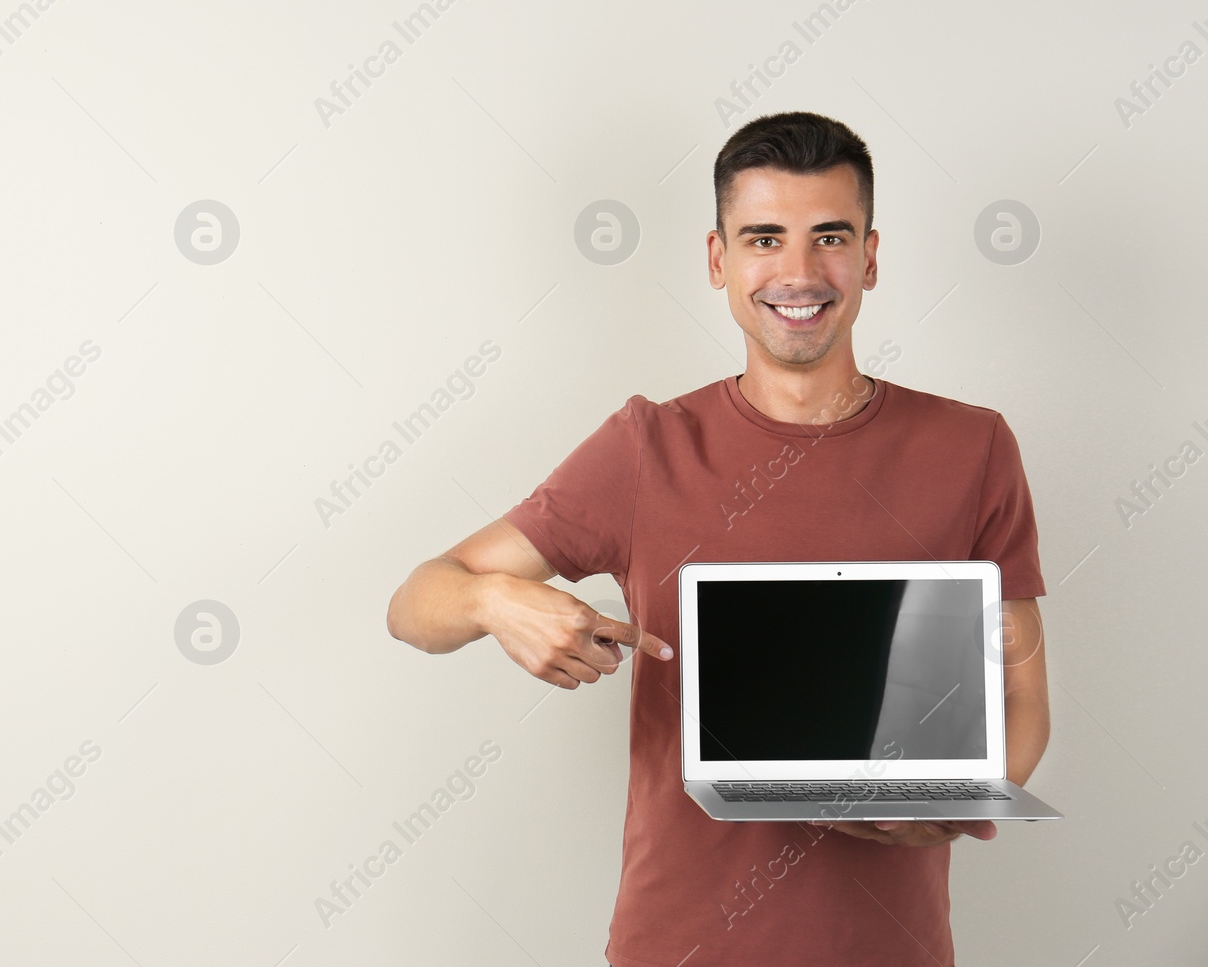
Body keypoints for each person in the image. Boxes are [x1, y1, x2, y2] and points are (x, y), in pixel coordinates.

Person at [385, 110, 1051, 967]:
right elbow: (413, 603)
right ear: (718, 260)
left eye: (831, 237)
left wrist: (959, 800)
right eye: (764, 237)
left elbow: (1025, 704)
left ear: (871, 258)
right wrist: (490, 598)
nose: (799, 272)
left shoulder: (972, 448)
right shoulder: (646, 447)